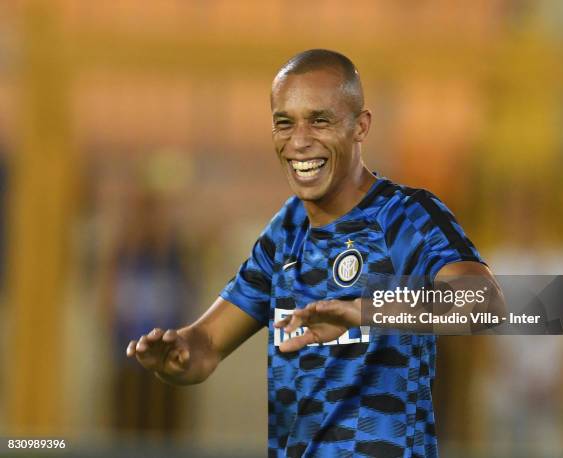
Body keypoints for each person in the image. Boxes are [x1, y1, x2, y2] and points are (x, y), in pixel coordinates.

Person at [126, 49, 498, 458]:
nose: (299, 142)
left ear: (361, 125)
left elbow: (486, 305)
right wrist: (178, 355)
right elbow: (207, 348)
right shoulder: (284, 234)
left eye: (320, 121)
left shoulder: (406, 216)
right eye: (284, 123)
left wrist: (364, 311)